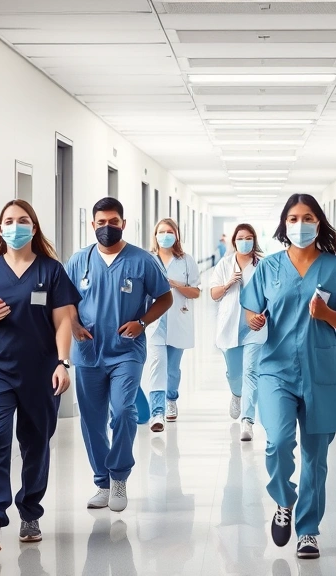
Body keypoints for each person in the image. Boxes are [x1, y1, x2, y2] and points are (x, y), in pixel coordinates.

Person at [241, 193, 336, 560]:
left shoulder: (334, 268)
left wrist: (327, 313)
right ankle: (284, 500)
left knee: (315, 456)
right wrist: (254, 319)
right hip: (276, 368)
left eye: (308, 217)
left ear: (318, 223)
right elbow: (251, 308)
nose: (300, 225)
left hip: (321, 369)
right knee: (277, 442)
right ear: (284, 225)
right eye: (293, 218)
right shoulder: (269, 267)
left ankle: (308, 530)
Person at [0, 199, 81, 551]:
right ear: (0, 229)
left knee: (36, 442)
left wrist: (63, 363)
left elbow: (62, 321)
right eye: (9, 221)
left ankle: (30, 510)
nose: (16, 226)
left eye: (23, 220)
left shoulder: (50, 271)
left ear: (34, 227)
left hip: (41, 369)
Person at [65, 197, 174, 513]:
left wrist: (142, 323)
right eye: (101, 222)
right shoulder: (78, 261)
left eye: (113, 222)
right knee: (92, 420)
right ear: (93, 225)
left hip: (126, 351)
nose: (107, 227)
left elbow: (164, 298)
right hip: (87, 353)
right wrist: (72, 323)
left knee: (124, 410)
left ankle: (120, 476)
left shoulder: (142, 261)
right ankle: (102, 482)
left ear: (123, 224)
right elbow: (65, 299)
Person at [210, 223, 267, 441]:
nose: (245, 242)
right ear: (234, 241)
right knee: (234, 374)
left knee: (251, 372)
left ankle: (248, 421)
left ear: (254, 240)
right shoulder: (225, 264)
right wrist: (228, 284)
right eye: (241, 238)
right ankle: (236, 393)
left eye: (249, 237)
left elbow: (272, 294)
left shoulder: (263, 265)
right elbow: (213, 294)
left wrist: (264, 315)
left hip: (255, 326)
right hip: (231, 327)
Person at [145, 218, 201, 431]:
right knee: (157, 365)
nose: (165, 235)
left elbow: (196, 291)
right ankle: (157, 412)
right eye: (161, 231)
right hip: (154, 321)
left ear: (177, 235)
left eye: (170, 232)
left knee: (172, 370)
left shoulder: (186, 260)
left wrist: (176, 285)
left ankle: (171, 398)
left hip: (178, 318)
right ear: (155, 235)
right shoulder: (148, 259)